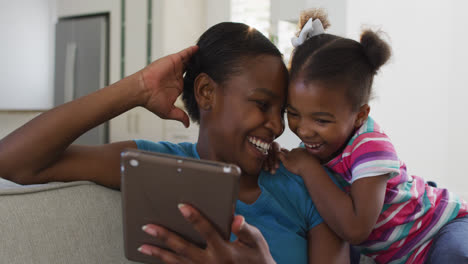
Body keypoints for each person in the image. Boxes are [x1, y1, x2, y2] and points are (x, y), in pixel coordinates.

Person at [0, 22, 349, 264]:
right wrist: (136, 88)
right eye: (262, 105)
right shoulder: (152, 165)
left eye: (281, 110)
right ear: (206, 92)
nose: (276, 126)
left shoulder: (310, 188)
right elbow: (13, 161)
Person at [273, 8, 468, 264]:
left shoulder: (370, 147)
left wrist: (309, 169)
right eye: (293, 113)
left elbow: (356, 229)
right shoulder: (316, 146)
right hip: (399, 252)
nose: (304, 130)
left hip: (439, 230)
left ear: (360, 115)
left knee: (453, 257)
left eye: (321, 119)